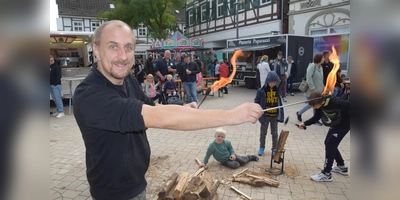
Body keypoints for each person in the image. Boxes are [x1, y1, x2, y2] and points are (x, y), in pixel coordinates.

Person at [73, 20, 263, 200]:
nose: (122, 56)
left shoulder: (128, 80)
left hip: (137, 183)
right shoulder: (90, 96)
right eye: (113, 46)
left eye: (128, 47)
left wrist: (183, 109)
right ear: (96, 50)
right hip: (113, 193)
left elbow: (152, 107)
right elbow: (157, 117)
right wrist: (231, 115)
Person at [297, 90, 350, 182]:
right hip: (336, 123)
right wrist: (305, 123)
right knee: (328, 143)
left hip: (346, 123)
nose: (313, 107)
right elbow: (316, 118)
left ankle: (326, 173)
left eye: (314, 106)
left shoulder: (335, 102)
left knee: (330, 143)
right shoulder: (319, 107)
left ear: (320, 102)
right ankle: (341, 166)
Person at [254, 71, 284, 156]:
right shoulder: (261, 91)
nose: (272, 84)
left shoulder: (278, 90)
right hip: (265, 116)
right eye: (271, 82)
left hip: (275, 115)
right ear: (267, 81)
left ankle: (274, 148)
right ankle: (261, 147)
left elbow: (280, 102)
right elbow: (256, 101)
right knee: (263, 132)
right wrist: (258, 109)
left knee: (274, 133)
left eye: (274, 82)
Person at [296, 53, 325, 126]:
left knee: (315, 104)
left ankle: (314, 119)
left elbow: (320, 79)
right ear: (319, 59)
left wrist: (323, 87)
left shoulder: (320, 67)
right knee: (311, 104)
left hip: (319, 91)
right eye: (323, 58)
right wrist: (313, 89)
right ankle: (299, 113)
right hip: (311, 91)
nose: (324, 59)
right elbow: (309, 78)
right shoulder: (312, 66)